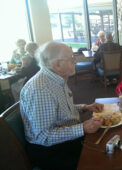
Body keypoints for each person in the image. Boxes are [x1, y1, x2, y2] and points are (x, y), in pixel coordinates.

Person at [19, 41, 105, 169]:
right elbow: (43, 136)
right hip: (50, 150)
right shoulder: (41, 90)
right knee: (101, 159)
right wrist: (82, 128)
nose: (75, 61)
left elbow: (61, 109)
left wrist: (85, 107)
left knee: (106, 139)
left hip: (63, 140)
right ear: (57, 64)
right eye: (71, 59)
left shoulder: (56, 78)